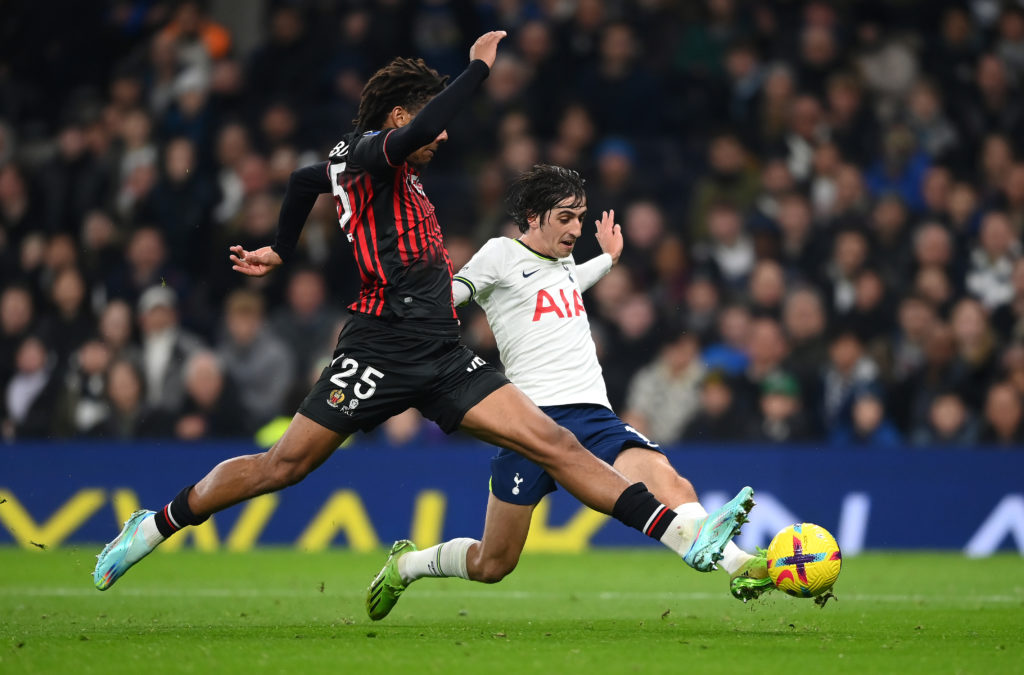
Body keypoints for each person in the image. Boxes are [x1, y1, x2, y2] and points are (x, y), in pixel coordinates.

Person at [93, 33, 754, 596]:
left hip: (441, 352)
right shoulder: (369, 153)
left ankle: (682, 539)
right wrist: (479, 69)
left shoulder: (361, 168)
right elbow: (391, 141)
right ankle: (154, 525)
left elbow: (300, 183)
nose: (439, 138)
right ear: (402, 115)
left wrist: (281, 248)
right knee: (282, 466)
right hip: (378, 348)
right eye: (429, 124)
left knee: (554, 442)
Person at [364, 165, 767, 622]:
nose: (577, 228)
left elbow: (569, 285)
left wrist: (609, 259)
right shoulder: (499, 254)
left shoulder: (564, 265)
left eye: (581, 217)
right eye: (566, 217)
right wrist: (405, 306)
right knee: (492, 563)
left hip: (593, 416)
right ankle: (408, 564)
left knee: (670, 481)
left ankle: (738, 564)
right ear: (534, 216)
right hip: (528, 423)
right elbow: (453, 294)